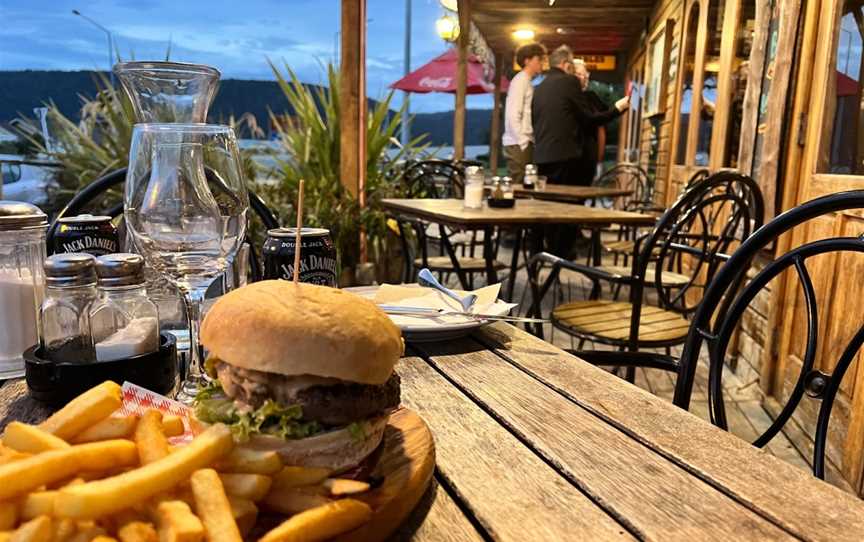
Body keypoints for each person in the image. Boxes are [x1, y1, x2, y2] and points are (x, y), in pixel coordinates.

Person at [532, 45, 630, 186]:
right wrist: (617, 109)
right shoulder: (569, 81)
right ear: (566, 64)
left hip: (542, 157)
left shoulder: (539, 87)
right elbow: (588, 119)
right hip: (565, 158)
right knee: (570, 204)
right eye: (572, 66)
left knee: (548, 203)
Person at [502, 42, 547, 184]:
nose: (541, 62)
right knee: (519, 185)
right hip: (518, 143)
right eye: (538, 59)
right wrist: (523, 141)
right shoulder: (520, 80)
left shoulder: (526, 81)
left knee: (525, 184)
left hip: (522, 141)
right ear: (527, 60)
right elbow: (513, 114)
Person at [572, 59, 609, 179]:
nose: (582, 77)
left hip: (587, 153)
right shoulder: (562, 99)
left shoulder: (592, 98)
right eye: (577, 74)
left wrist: (599, 158)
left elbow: (600, 129)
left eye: (584, 74)